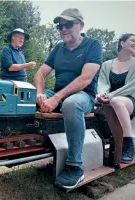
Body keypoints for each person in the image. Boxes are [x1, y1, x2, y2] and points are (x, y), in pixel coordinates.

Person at [33, 8, 102, 188]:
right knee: (26, 98)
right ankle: (26, 148)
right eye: (60, 25)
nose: (63, 29)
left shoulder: (93, 45)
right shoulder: (58, 48)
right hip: (57, 93)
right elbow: (40, 74)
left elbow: (86, 78)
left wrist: (56, 98)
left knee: (70, 104)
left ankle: (75, 166)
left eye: (68, 24)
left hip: (83, 96)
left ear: (81, 25)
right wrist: (40, 93)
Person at [97, 33, 135, 163]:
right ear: (122, 43)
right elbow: (103, 84)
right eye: (133, 40)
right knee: (95, 100)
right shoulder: (107, 64)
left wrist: (110, 96)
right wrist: (102, 94)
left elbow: (132, 86)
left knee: (116, 101)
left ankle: (128, 143)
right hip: (109, 99)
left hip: (132, 100)